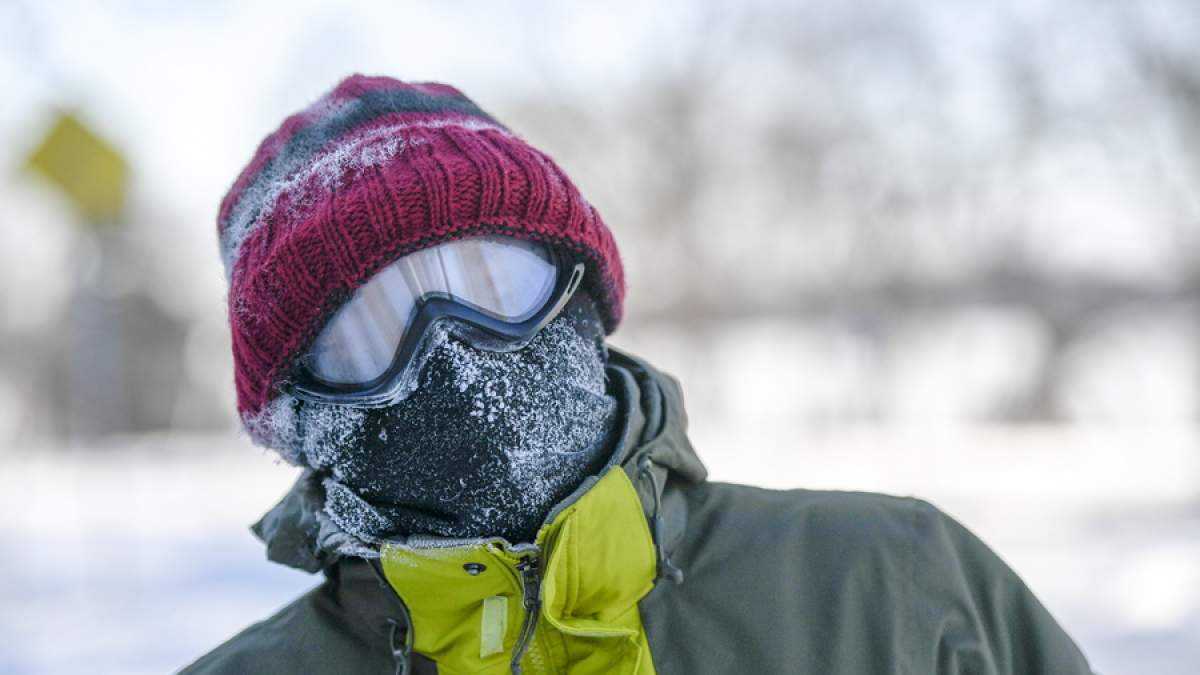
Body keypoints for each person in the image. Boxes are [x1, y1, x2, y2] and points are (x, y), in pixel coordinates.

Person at [182, 75, 1093, 675]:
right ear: (300, 416)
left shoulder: (895, 592)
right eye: (368, 331)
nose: (451, 350)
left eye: (495, 281)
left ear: (581, 292)